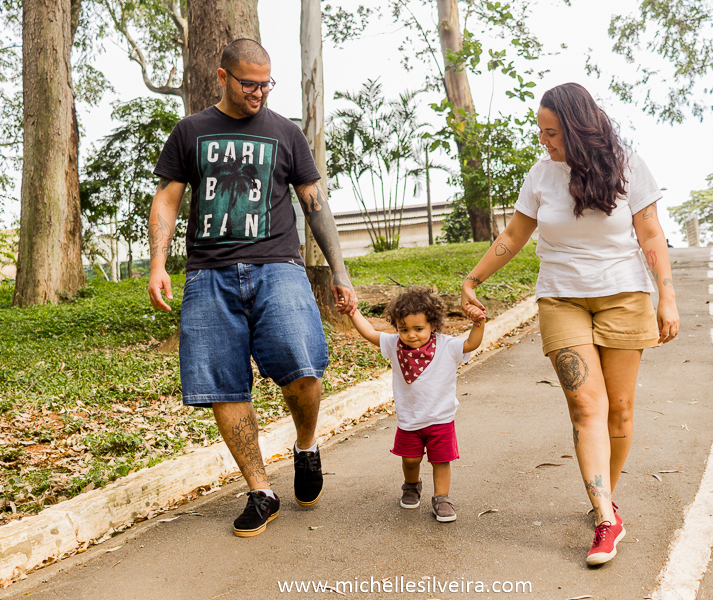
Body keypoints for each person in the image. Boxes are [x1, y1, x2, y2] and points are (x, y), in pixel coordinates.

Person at [460, 83, 679, 565]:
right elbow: (516, 233)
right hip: (561, 298)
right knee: (586, 405)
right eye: (541, 132)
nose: (545, 141)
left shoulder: (626, 164)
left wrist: (667, 296)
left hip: (625, 295)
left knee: (619, 410)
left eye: (553, 132)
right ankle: (604, 517)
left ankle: (606, 497)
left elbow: (650, 232)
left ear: (580, 129)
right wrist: (472, 279)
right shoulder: (540, 175)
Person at [146, 39, 357, 538]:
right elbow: (168, 198)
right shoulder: (190, 131)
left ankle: (306, 445)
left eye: (266, 83)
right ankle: (260, 489)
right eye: (249, 84)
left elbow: (314, 203)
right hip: (208, 273)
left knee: (303, 371)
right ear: (222, 78)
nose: (259, 92)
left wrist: (339, 270)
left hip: (278, 266)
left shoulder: (286, 133)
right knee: (224, 384)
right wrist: (158, 260)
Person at [348, 287, 486, 522]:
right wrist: (352, 313)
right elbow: (370, 332)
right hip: (409, 420)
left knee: (441, 461)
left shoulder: (447, 345)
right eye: (404, 329)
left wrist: (479, 323)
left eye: (418, 329)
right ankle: (412, 485)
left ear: (433, 324)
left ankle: (442, 498)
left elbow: (471, 344)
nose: (411, 335)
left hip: (440, 419)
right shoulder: (394, 345)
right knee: (410, 460)